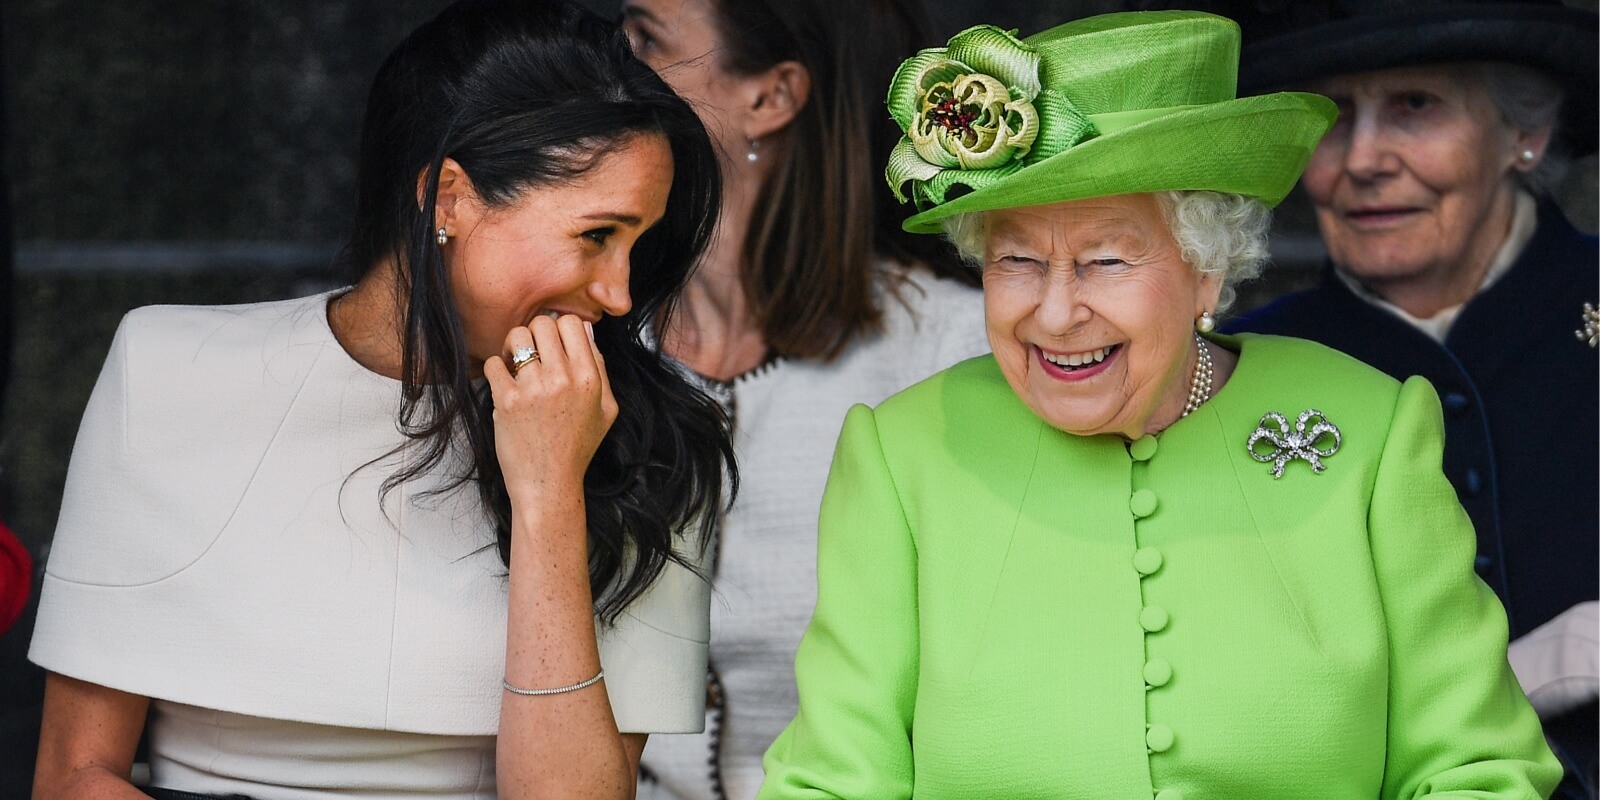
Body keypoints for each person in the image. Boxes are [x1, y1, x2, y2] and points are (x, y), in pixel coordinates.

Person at [757, 11, 1561, 798]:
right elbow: (832, 781)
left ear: (1207, 269)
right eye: (1017, 260)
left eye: (1106, 259)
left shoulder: (1372, 429)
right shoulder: (904, 453)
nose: (1055, 311)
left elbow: (1479, 771)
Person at [29, 1, 733, 797]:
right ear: (450, 199)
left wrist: (548, 496)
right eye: (596, 235)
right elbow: (75, 776)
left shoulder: (653, 442)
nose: (618, 293)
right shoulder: (166, 370)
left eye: (639, 246)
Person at [1201, 2, 1597, 794]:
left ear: (1528, 134)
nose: (1365, 159)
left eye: (1415, 106)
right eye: (1334, 116)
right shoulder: (1239, 367)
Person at [615, 2, 988, 797]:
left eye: (646, 39)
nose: (605, 64)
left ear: (771, 97)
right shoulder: (594, 334)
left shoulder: (949, 354)